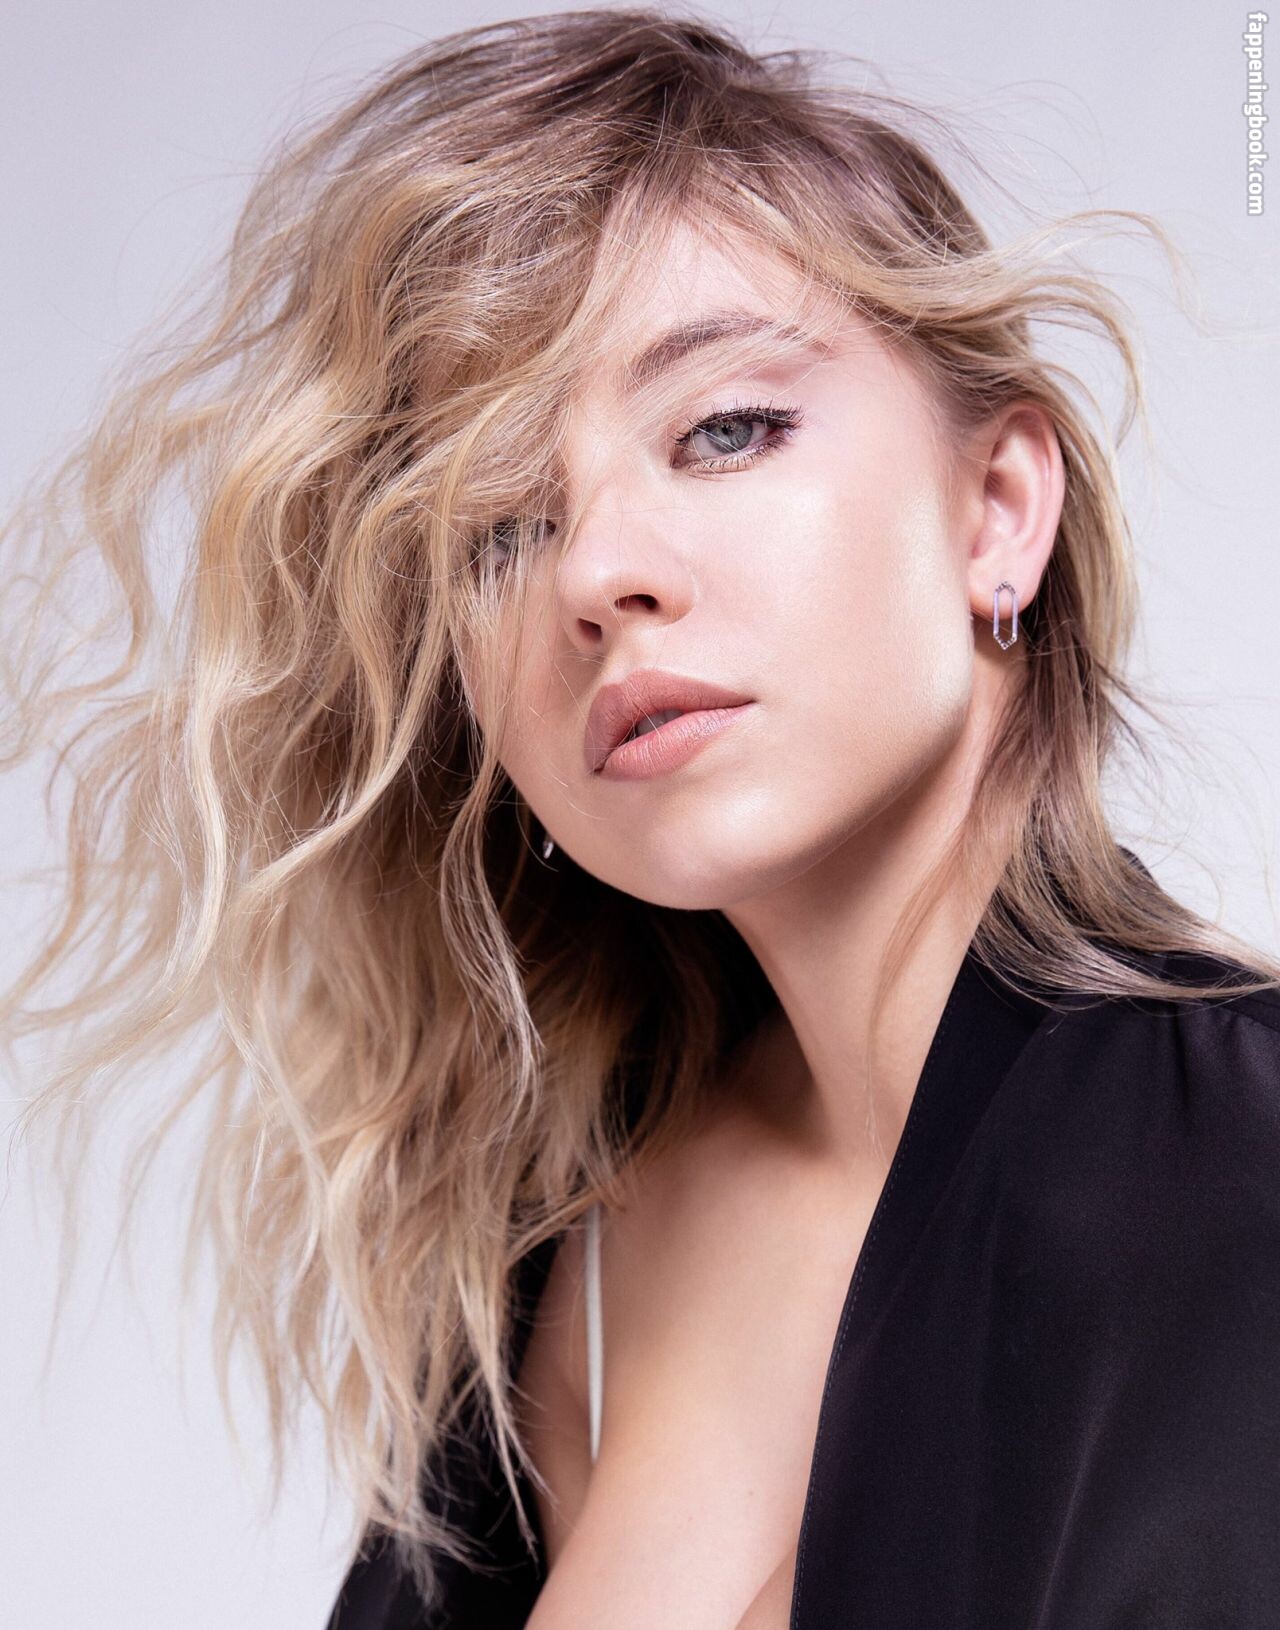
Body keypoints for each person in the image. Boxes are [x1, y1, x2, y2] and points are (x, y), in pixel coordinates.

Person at [4, 9, 1279, 1630]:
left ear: (999, 513)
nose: (599, 572)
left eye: (725, 429)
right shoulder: (572, 1246)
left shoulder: (1235, 1171)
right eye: (500, 526)